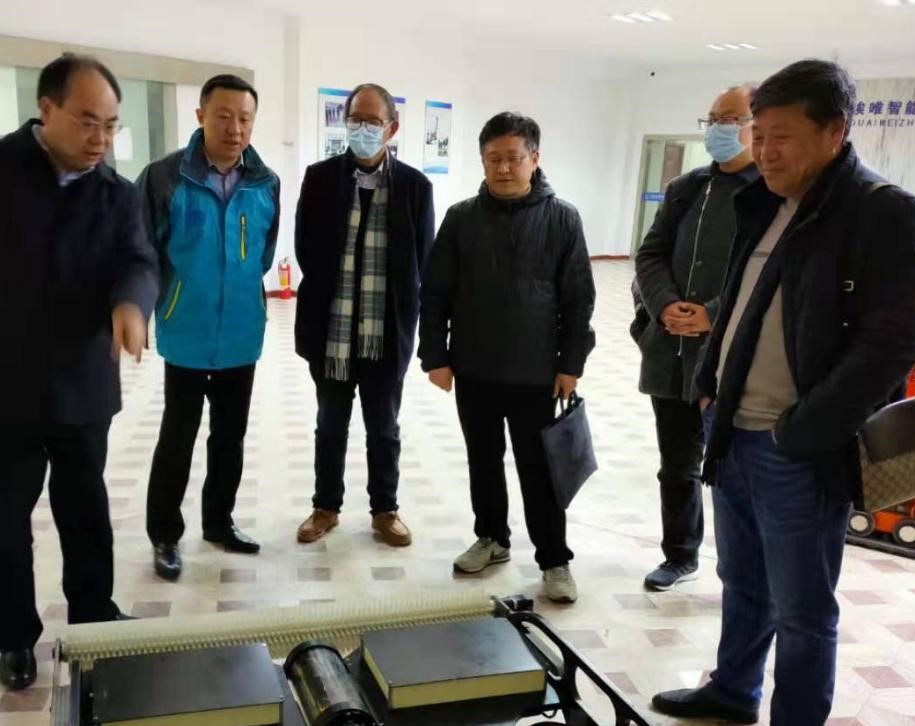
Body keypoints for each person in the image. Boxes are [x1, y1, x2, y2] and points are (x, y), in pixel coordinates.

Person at [651, 60, 915, 726]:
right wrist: (710, 383)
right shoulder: (768, 203)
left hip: (797, 450)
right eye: (758, 135)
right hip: (734, 431)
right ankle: (733, 688)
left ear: (834, 131)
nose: (764, 150)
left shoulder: (881, 211)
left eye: (781, 136)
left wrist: (805, 429)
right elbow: (740, 303)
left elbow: (891, 343)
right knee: (742, 580)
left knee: (804, 609)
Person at [0, 54, 157, 690]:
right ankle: (15, 639)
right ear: (46, 109)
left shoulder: (116, 193)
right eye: (87, 122)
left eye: (111, 126)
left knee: (86, 514)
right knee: (4, 524)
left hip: (82, 385)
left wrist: (131, 304)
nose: (100, 140)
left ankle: (93, 619)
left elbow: (137, 260)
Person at [419, 112, 596, 604]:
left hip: (535, 372)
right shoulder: (461, 218)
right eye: (493, 158)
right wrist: (435, 356)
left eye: (513, 158)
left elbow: (578, 298)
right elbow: (435, 292)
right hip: (474, 366)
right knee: (483, 460)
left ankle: (554, 559)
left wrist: (571, 364)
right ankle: (492, 538)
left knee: (539, 468)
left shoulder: (562, 219)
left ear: (534, 159)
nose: (502, 168)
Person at [139, 75, 280, 580]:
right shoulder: (164, 177)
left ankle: (219, 522)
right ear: (201, 115)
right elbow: (143, 251)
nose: (235, 128)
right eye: (223, 116)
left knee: (230, 436)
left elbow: (263, 254)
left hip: (241, 332)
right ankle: (164, 534)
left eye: (245, 118)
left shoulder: (266, 182)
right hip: (187, 329)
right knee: (178, 435)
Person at [293, 83, 435, 548]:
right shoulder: (320, 178)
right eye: (355, 119)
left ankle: (384, 509)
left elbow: (423, 261)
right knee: (330, 424)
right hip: (331, 330)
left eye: (373, 122)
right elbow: (305, 248)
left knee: (384, 427)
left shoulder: (415, 187)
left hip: (385, 333)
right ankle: (325, 506)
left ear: (392, 128)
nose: (363, 129)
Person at [631, 84, 759, 593]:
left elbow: (768, 274)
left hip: (730, 357)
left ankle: (743, 572)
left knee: (735, 473)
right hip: (672, 349)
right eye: (713, 119)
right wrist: (665, 305)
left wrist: (712, 316)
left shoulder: (770, 194)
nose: (719, 129)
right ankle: (680, 555)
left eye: (731, 119)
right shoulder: (687, 188)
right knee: (677, 466)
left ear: (757, 125)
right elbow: (650, 254)